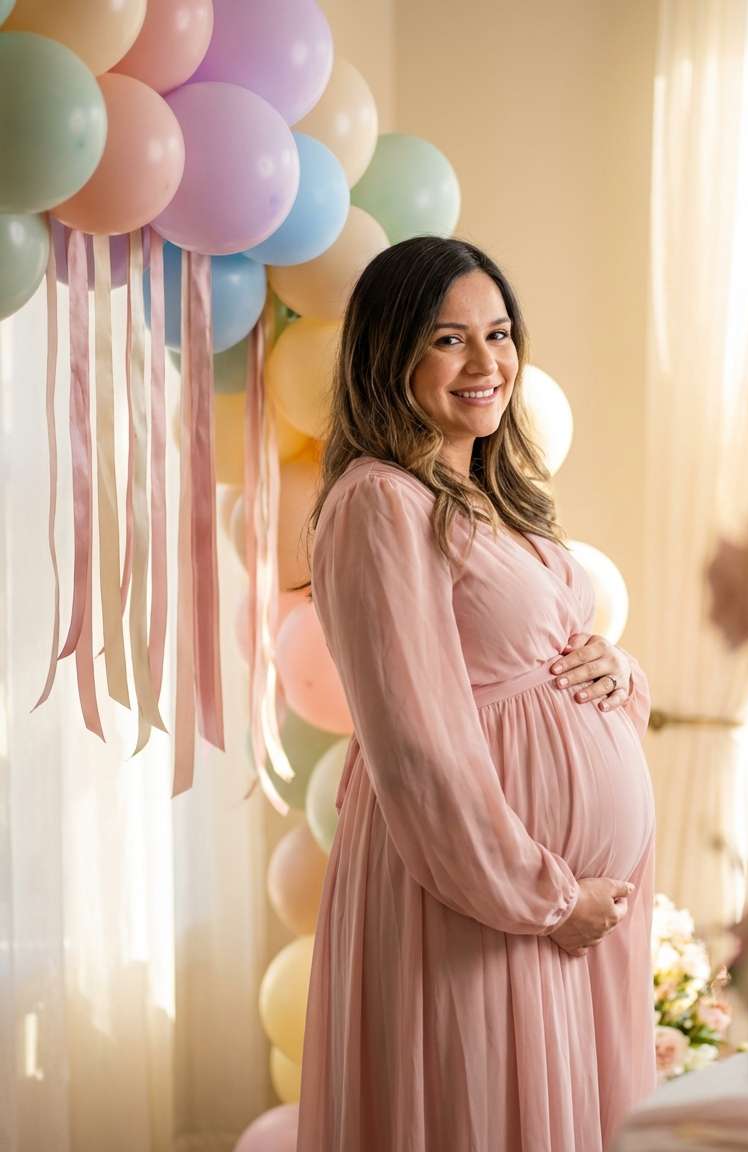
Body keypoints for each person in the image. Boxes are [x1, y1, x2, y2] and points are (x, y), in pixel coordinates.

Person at [295, 236, 656, 1152]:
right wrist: (542, 897)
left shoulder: (493, 494)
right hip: (480, 903)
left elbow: (535, 664)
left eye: (498, 334)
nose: (487, 363)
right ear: (391, 353)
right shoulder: (381, 502)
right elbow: (416, 747)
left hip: (554, 914)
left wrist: (620, 674)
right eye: (449, 339)